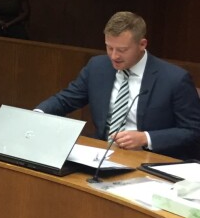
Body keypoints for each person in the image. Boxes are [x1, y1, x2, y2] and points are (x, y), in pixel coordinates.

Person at [36, 11, 200, 160]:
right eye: (109, 47)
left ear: (142, 44)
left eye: (122, 50)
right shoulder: (97, 67)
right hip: (101, 155)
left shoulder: (175, 79)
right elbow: (66, 99)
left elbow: (193, 131)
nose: (114, 56)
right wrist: (38, 114)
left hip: (150, 159)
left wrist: (146, 138)